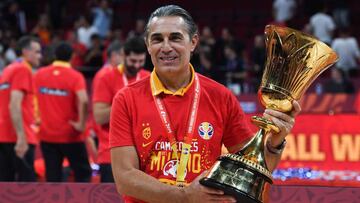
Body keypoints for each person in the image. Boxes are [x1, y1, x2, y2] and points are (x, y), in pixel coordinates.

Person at [109, 5, 301, 203]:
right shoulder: (126, 99)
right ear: (148, 46)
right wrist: (185, 196)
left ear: (193, 42)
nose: (166, 47)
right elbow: (125, 178)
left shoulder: (220, 97)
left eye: (175, 38)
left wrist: (274, 143)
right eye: (157, 39)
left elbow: (254, 170)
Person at [93, 36, 149, 182]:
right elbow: (99, 116)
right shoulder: (105, 77)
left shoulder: (148, 78)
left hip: (143, 154)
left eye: (141, 61)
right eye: (133, 61)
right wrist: (126, 104)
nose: (137, 66)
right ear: (123, 55)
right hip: (111, 154)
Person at [34, 42, 92, 182]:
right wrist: (81, 124)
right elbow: (84, 100)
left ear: (55, 56)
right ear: (72, 57)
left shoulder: (39, 74)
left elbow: (33, 99)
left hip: (47, 135)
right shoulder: (75, 76)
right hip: (70, 135)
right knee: (83, 175)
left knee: (53, 178)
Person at [0, 36, 42, 182]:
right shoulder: (23, 70)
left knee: (5, 186)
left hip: (4, 135)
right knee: (27, 189)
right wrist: (21, 137)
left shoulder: (7, 69)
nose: (40, 56)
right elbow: (14, 104)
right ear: (25, 52)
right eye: (37, 52)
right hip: (19, 136)